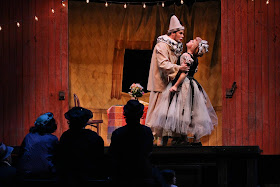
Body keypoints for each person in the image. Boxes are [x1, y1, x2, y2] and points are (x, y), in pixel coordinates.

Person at [150, 37, 218, 145]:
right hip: (192, 84)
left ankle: (183, 137)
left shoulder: (185, 56)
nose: (190, 40)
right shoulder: (194, 58)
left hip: (184, 84)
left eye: (193, 41)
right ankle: (194, 138)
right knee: (191, 111)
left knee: (182, 110)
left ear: (195, 47)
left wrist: (176, 86)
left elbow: (184, 73)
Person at [146, 15, 189, 146]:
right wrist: (179, 67)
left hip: (169, 85)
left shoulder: (173, 47)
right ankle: (152, 145)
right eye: (180, 33)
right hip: (160, 85)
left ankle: (163, 145)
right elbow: (163, 64)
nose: (182, 36)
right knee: (156, 118)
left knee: (166, 119)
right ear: (173, 33)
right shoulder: (162, 46)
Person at [109, 100, 154, 186]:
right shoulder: (146, 131)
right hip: (142, 172)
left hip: (123, 174)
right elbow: (149, 151)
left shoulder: (118, 133)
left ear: (125, 114)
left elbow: (113, 154)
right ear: (141, 115)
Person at [56, 107, 104, 186]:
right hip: (89, 176)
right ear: (85, 122)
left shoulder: (65, 136)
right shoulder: (93, 137)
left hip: (68, 177)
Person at [17, 112, 58, 178]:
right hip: (47, 174)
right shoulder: (53, 139)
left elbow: (21, 154)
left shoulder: (28, 136)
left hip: (26, 174)